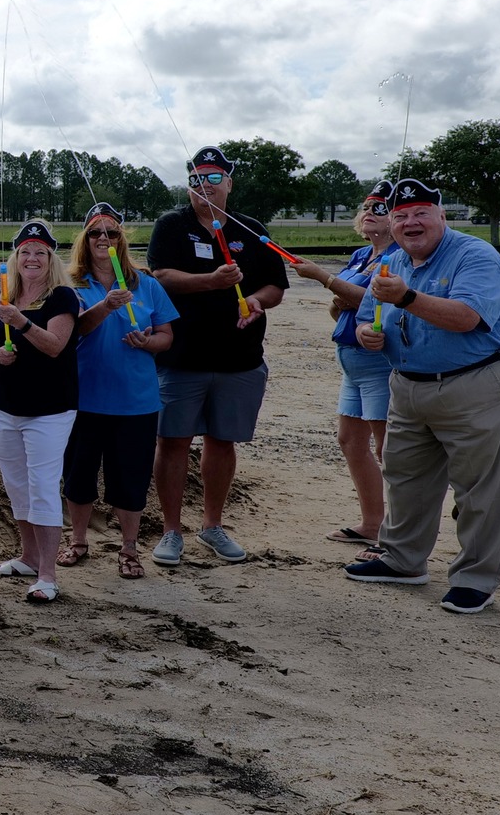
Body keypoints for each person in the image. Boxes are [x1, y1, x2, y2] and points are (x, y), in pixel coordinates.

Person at [345, 178, 500, 614]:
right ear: (391, 222)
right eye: (401, 215)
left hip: (479, 382)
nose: (410, 222)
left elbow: (466, 317)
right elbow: (367, 315)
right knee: (405, 477)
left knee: (481, 487)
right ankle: (402, 559)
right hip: (409, 386)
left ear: (441, 217)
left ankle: (475, 579)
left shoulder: (474, 256)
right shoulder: (392, 261)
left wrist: (407, 298)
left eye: (420, 213)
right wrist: (365, 334)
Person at [144, 145, 288, 566]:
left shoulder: (251, 228)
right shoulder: (172, 224)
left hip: (239, 358)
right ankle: (171, 530)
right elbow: (162, 277)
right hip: (182, 356)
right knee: (172, 441)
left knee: (222, 441)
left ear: (228, 182)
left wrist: (256, 302)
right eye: (195, 179)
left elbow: (275, 286)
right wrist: (212, 282)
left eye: (211, 178)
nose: (202, 186)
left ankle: (212, 525)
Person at [65, 204, 177, 580]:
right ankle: (78, 541)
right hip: (83, 398)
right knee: (78, 476)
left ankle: (129, 549)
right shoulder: (71, 283)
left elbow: (166, 336)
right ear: (84, 240)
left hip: (135, 401)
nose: (102, 239)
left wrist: (148, 342)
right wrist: (103, 306)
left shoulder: (146, 284)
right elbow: (72, 332)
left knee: (129, 479)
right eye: (94, 233)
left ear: (121, 240)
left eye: (110, 233)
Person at [287, 180, 397, 544]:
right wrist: (339, 303)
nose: (369, 213)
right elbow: (349, 307)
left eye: (380, 208)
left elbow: (368, 298)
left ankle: (397, 533)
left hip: (380, 363)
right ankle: (372, 522)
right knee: (350, 440)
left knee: (387, 448)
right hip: (351, 360)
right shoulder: (359, 256)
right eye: (366, 207)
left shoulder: (396, 258)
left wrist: (324, 277)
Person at [0, 221, 81, 603]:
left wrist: (22, 323)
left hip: (50, 408)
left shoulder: (62, 297)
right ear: (15, 257)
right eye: (25, 251)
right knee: (16, 484)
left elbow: (55, 345)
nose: (31, 258)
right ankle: (28, 557)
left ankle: (48, 574)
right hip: (7, 406)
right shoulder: (3, 295)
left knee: (43, 486)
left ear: (50, 259)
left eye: (39, 253)